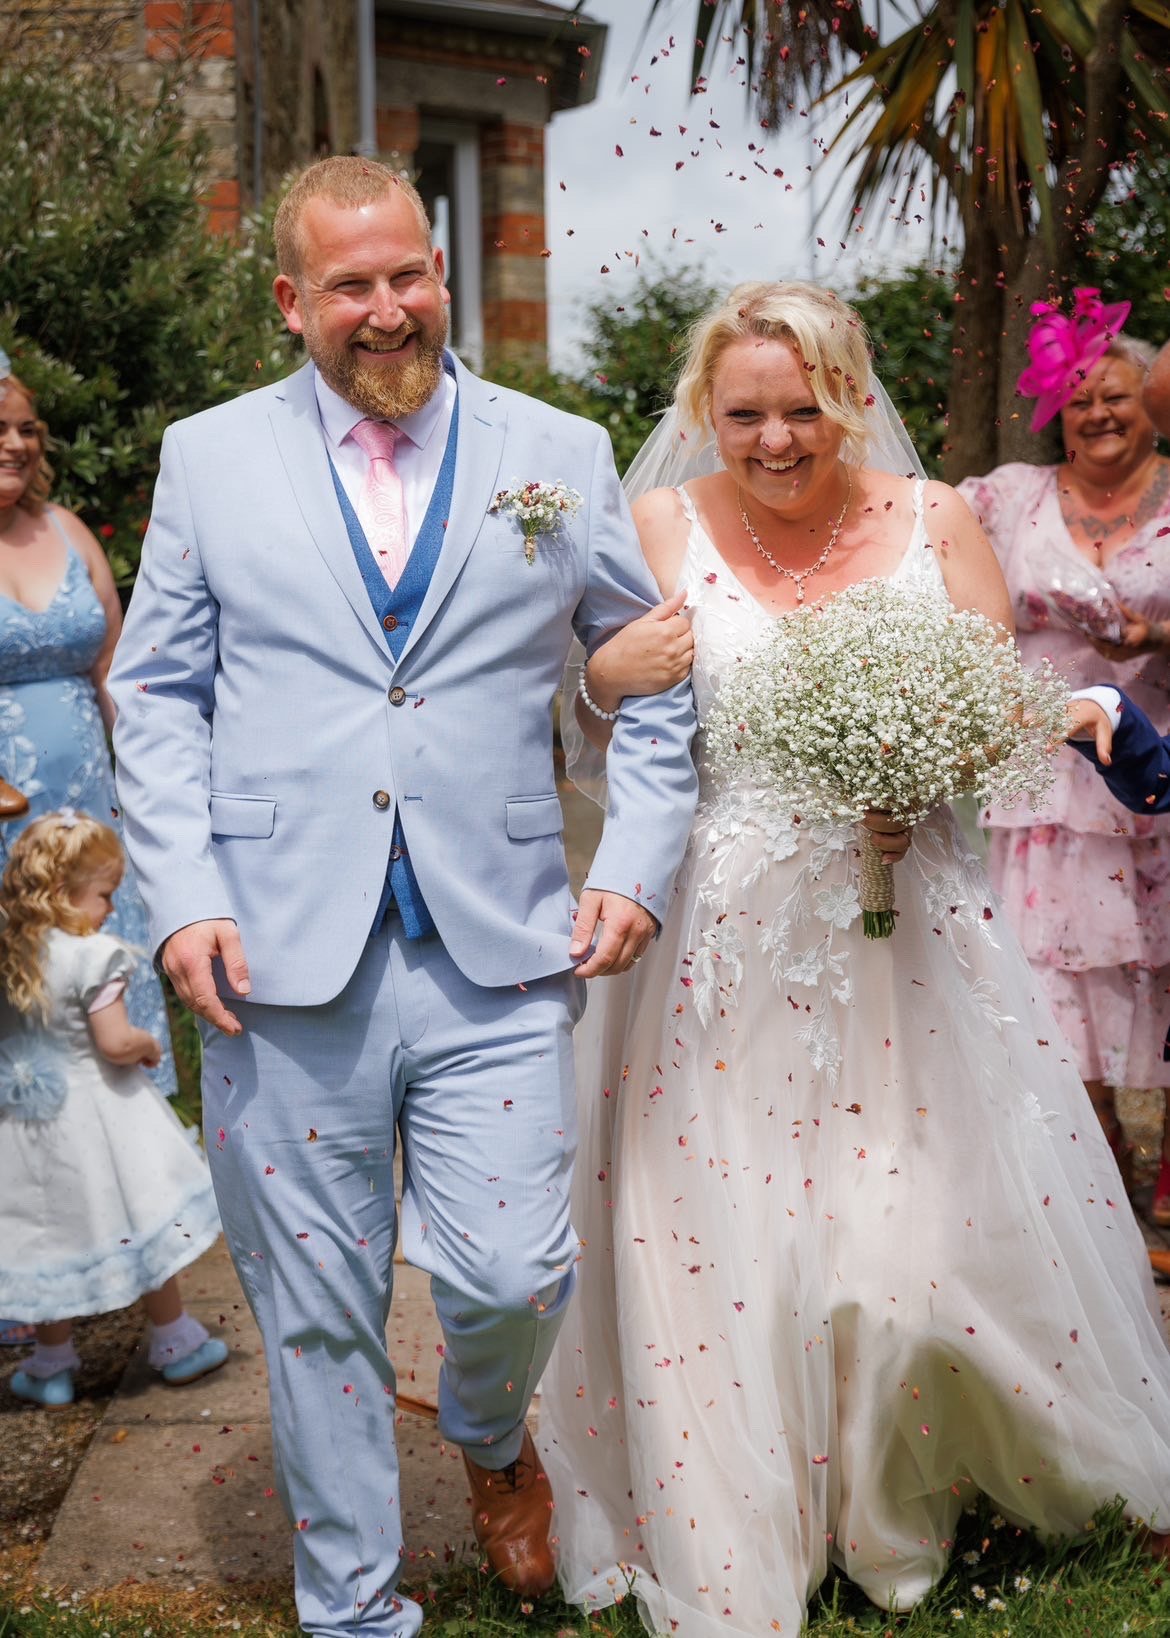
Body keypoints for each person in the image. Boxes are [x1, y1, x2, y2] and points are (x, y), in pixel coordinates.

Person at [107, 156, 697, 1635]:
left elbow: (654, 674)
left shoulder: (556, 444)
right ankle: (354, 1606)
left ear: (440, 272)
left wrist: (632, 863)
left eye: (409, 275)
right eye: (351, 285)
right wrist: (180, 897)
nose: (389, 309)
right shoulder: (208, 456)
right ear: (291, 300)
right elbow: (157, 694)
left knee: (514, 1274)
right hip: (271, 950)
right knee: (316, 1308)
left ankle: (488, 1432)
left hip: (500, 941)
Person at [537, 282, 1170, 1638]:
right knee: (721, 1243)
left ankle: (887, 1502)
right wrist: (602, 682)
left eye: (802, 408)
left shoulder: (934, 522)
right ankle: (745, 1511)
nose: (774, 438)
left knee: (900, 1244)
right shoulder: (658, 527)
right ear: (705, 411)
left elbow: (993, 713)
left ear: (849, 396)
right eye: (743, 413)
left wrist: (925, 775)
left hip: (907, 945)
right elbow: (592, 733)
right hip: (716, 946)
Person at [957, 293, 1170, 1215]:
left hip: (1157, 761)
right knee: (1054, 972)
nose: (1097, 413)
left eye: (1115, 395)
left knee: (1158, 959)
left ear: (1149, 402)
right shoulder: (1009, 497)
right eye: (1077, 399)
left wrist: (1156, 634)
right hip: (1045, 773)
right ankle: (1101, 1172)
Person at [0, 812, 225, 1407]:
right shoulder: (93, 955)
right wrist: (147, 1045)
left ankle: (50, 1364)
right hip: (100, 1117)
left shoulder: (10, 953)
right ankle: (175, 1339)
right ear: (62, 891)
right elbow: (114, 1043)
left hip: (24, 1125)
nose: (110, 908)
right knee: (140, 1222)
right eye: (104, 894)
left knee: (49, 1240)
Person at [0, 349, 177, 1097]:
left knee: (106, 976)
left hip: (90, 813)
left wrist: (155, 782)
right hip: (5, 821)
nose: (16, 444)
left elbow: (118, 672)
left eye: (27, 429)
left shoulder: (67, 530)